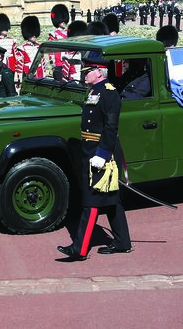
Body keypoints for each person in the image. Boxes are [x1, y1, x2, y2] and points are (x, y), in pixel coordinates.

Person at [57, 54, 132, 260]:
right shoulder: (94, 91)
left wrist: (102, 154)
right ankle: (122, 242)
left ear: (99, 72)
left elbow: (111, 128)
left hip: (102, 153)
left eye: (88, 72)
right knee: (111, 199)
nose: (84, 75)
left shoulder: (109, 94)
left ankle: (80, 249)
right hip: (90, 150)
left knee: (91, 202)